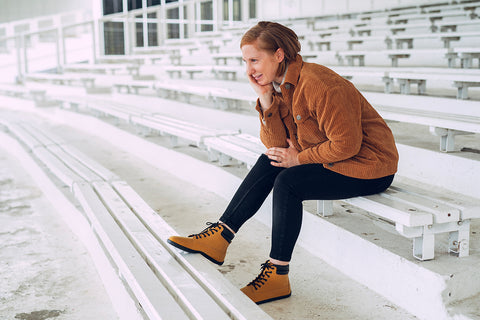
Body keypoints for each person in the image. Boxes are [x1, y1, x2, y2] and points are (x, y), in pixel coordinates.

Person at [167, 21, 399, 305]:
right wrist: (265, 101)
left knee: (288, 182)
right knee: (271, 160)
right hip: (333, 159)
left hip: (367, 166)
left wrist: (299, 158)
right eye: (245, 61)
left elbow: (346, 145)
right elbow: (275, 145)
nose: (249, 70)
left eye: (254, 60)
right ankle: (219, 238)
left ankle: (277, 275)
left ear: (278, 55)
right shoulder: (277, 86)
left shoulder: (321, 85)